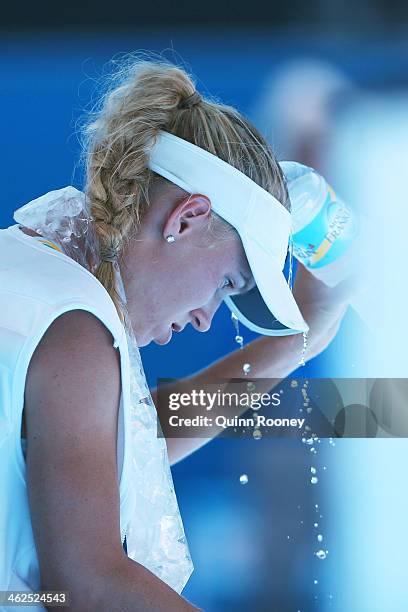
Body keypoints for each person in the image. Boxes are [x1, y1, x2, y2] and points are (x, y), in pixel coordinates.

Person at [0, 58, 356, 611]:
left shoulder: (37, 271)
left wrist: (290, 346)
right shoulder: (75, 325)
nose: (205, 318)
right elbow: (86, 586)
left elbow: (128, 443)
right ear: (186, 218)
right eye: (225, 283)